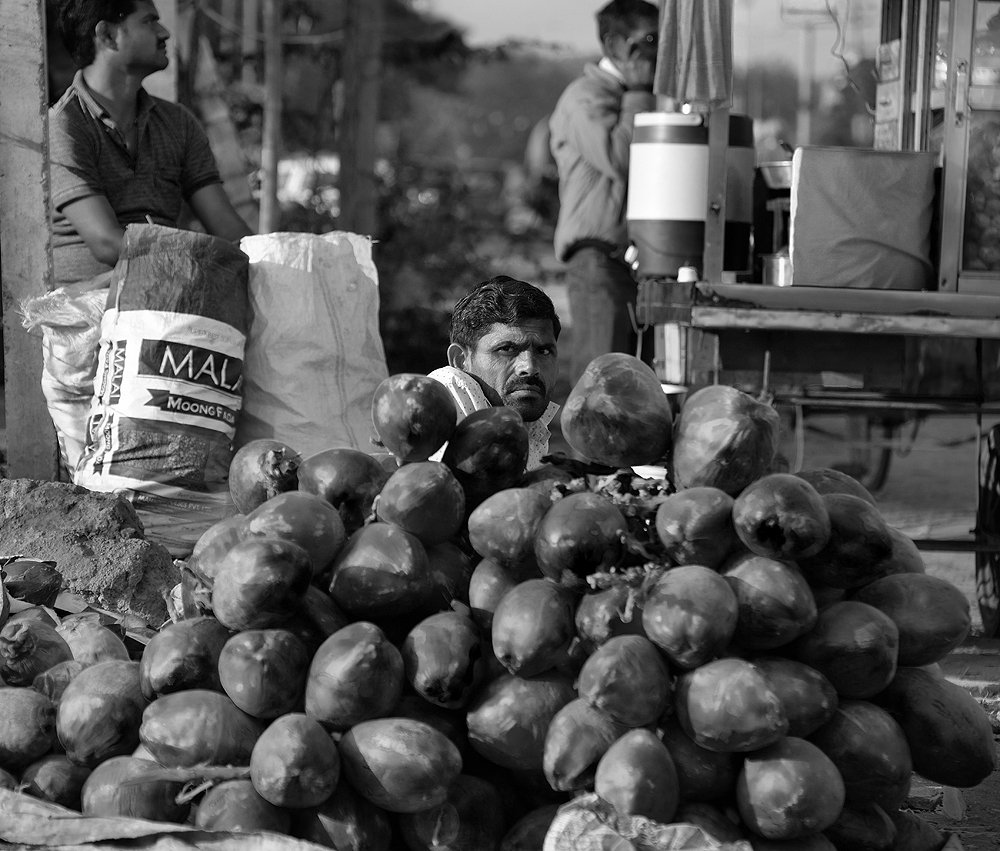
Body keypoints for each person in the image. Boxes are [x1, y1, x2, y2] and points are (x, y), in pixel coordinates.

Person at [48, 0, 253, 287]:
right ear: (107, 35)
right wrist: (198, 262)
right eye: (149, 21)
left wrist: (265, 259)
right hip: (89, 315)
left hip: (164, 298)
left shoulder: (178, 123)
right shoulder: (64, 125)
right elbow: (107, 243)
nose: (165, 32)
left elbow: (228, 229)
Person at [549, 0, 659, 380]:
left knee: (634, 392)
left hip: (632, 264)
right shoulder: (584, 97)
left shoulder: (633, 98)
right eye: (648, 40)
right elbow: (623, 156)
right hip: (598, 261)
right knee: (602, 388)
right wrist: (641, 92)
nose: (657, 52)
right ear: (615, 46)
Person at [429, 276, 561, 469]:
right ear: (460, 360)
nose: (530, 367)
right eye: (507, 349)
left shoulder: (532, 427)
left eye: (544, 351)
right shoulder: (446, 389)